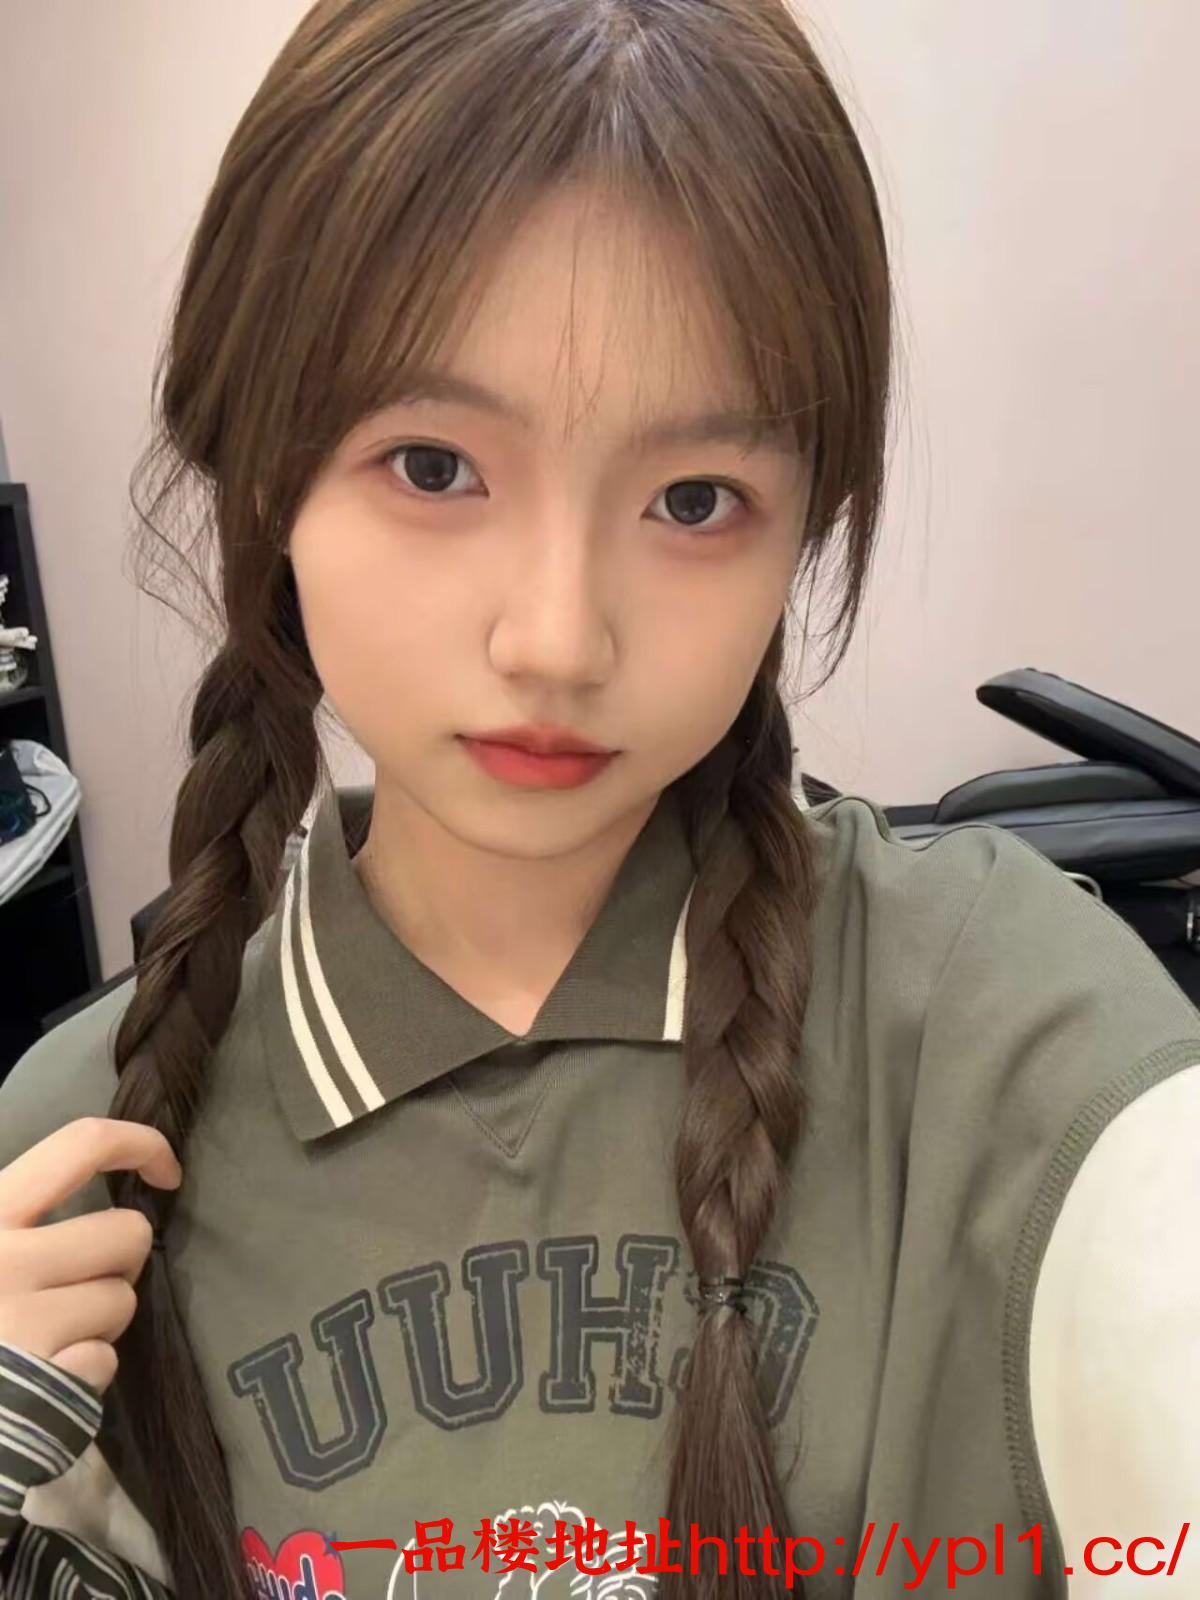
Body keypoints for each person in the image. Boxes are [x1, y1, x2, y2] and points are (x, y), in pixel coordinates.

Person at [1, 1, 1198, 1597]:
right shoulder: (67, 1169)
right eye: (434, 467)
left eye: (694, 499)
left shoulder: (1001, 1034)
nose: (559, 639)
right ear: (263, 473)